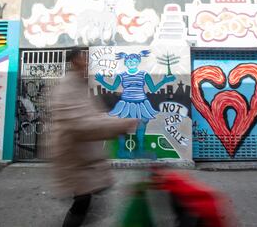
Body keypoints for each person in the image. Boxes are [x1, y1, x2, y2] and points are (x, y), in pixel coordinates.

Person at [49, 48, 137, 227]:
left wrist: (118, 122)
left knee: (86, 201)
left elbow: (94, 116)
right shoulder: (67, 87)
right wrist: (119, 125)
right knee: (82, 202)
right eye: (83, 59)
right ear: (74, 61)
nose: (87, 62)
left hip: (83, 158)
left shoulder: (80, 85)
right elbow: (81, 124)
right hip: (75, 158)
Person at [95, 50, 175, 158]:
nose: (131, 62)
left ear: (138, 61)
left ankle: (140, 150)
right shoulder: (122, 75)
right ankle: (122, 151)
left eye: (133, 60)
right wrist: (102, 81)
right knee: (123, 127)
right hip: (126, 104)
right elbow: (113, 87)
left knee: (141, 127)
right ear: (125, 63)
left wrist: (163, 81)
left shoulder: (144, 74)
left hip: (141, 103)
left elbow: (153, 88)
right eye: (129, 61)